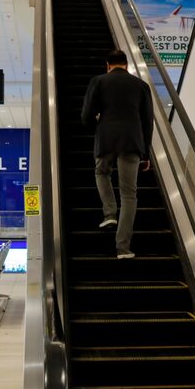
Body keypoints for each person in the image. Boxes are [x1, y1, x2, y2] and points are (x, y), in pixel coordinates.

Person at [80, 49, 154, 259]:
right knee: (129, 195)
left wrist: (99, 127)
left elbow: (85, 116)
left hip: (105, 140)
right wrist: (146, 153)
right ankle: (123, 248)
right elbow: (148, 122)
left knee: (102, 173)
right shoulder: (141, 86)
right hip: (132, 142)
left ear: (107, 65)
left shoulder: (98, 81)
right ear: (127, 65)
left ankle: (109, 213)